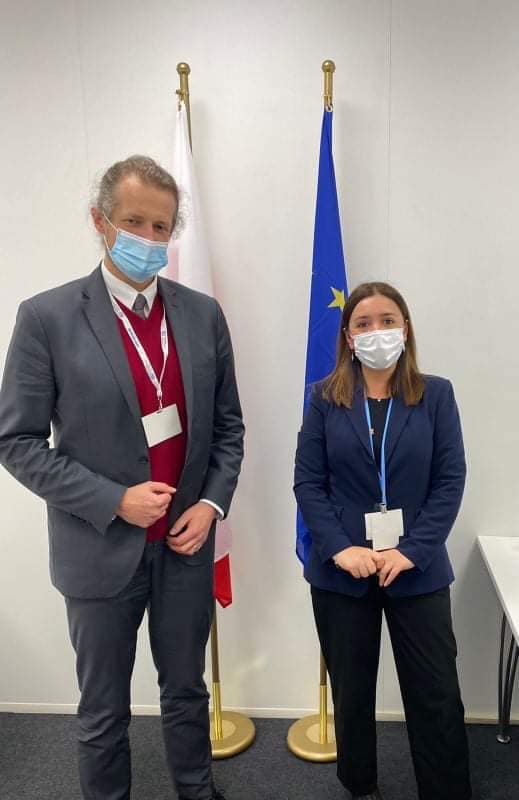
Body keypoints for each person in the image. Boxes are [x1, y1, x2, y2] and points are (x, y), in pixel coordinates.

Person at [0, 155, 244, 800]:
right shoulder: (47, 318)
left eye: (161, 226)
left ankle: (196, 790)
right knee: (103, 708)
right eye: (134, 222)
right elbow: (17, 442)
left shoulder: (202, 315)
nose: (149, 238)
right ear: (100, 221)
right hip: (98, 547)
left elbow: (228, 428)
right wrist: (114, 500)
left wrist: (211, 505)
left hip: (185, 544)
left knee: (187, 690)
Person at [294, 281, 471, 800]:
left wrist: (411, 550)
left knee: (436, 692)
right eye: (364, 323)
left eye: (387, 320)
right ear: (349, 337)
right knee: (352, 694)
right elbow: (309, 482)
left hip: (416, 566)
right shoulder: (323, 399)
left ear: (405, 329)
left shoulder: (436, 395)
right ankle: (360, 786)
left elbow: (449, 481)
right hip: (342, 571)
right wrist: (339, 548)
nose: (377, 331)